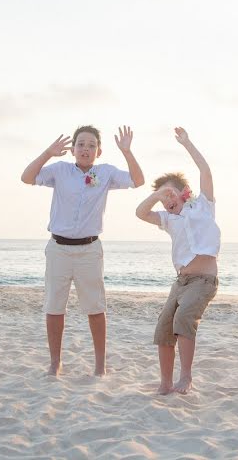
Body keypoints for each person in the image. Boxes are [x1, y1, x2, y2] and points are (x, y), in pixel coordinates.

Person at [21, 125, 144, 376]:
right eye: (81, 144)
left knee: (96, 308)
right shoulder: (60, 170)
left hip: (89, 249)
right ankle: (55, 363)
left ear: (98, 151)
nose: (85, 149)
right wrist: (48, 152)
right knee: (54, 307)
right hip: (58, 248)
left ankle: (100, 366)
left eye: (91, 145)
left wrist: (127, 152)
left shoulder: (106, 172)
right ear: (73, 149)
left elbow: (138, 181)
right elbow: (27, 177)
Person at [135, 128, 219, 395]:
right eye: (164, 197)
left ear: (186, 192)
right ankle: (165, 382)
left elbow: (206, 171)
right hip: (181, 281)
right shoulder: (167, 219)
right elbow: (140, 212)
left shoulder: (203, 205)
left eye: (171, 193)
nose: (167, 200)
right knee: (164, 328)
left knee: (184, 319)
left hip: (204, 280)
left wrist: (187, 144)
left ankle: (186, 378)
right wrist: (157, 196)